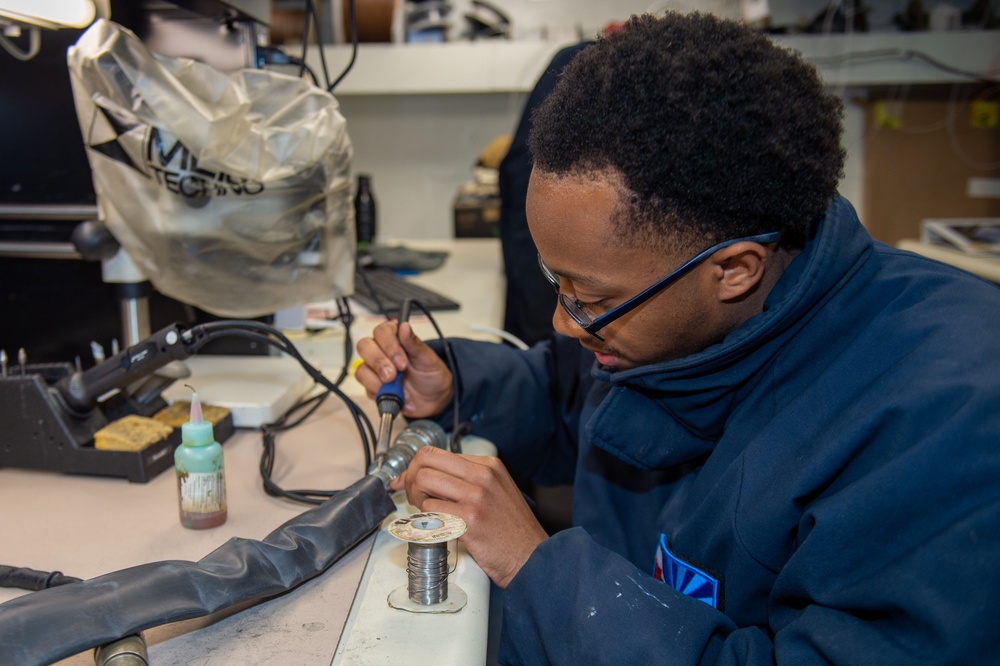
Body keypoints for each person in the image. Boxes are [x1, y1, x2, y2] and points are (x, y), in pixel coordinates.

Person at [355, 12, 1000, 664]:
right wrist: (458, 384)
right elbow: (576, 396)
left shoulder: (946, 428)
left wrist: (541, 569)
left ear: (735, 271)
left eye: (593, 300)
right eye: (556, 281)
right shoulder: (677, 320)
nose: (563, 322)